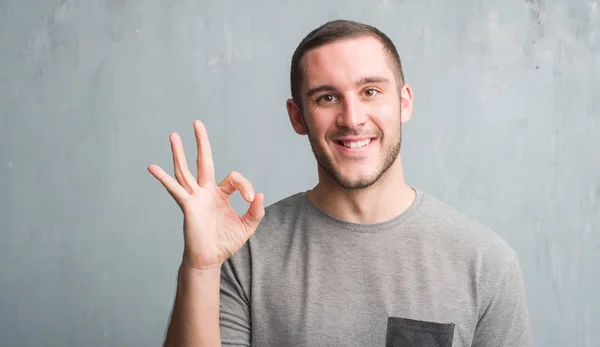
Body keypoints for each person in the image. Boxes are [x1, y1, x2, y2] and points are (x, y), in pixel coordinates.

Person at [148, 19, 533, 347]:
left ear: (404, 102)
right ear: (298, 117)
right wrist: (200, 267)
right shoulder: (246, 252)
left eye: (370, 92)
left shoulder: (484, 263)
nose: (352, 118)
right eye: (327, 97)